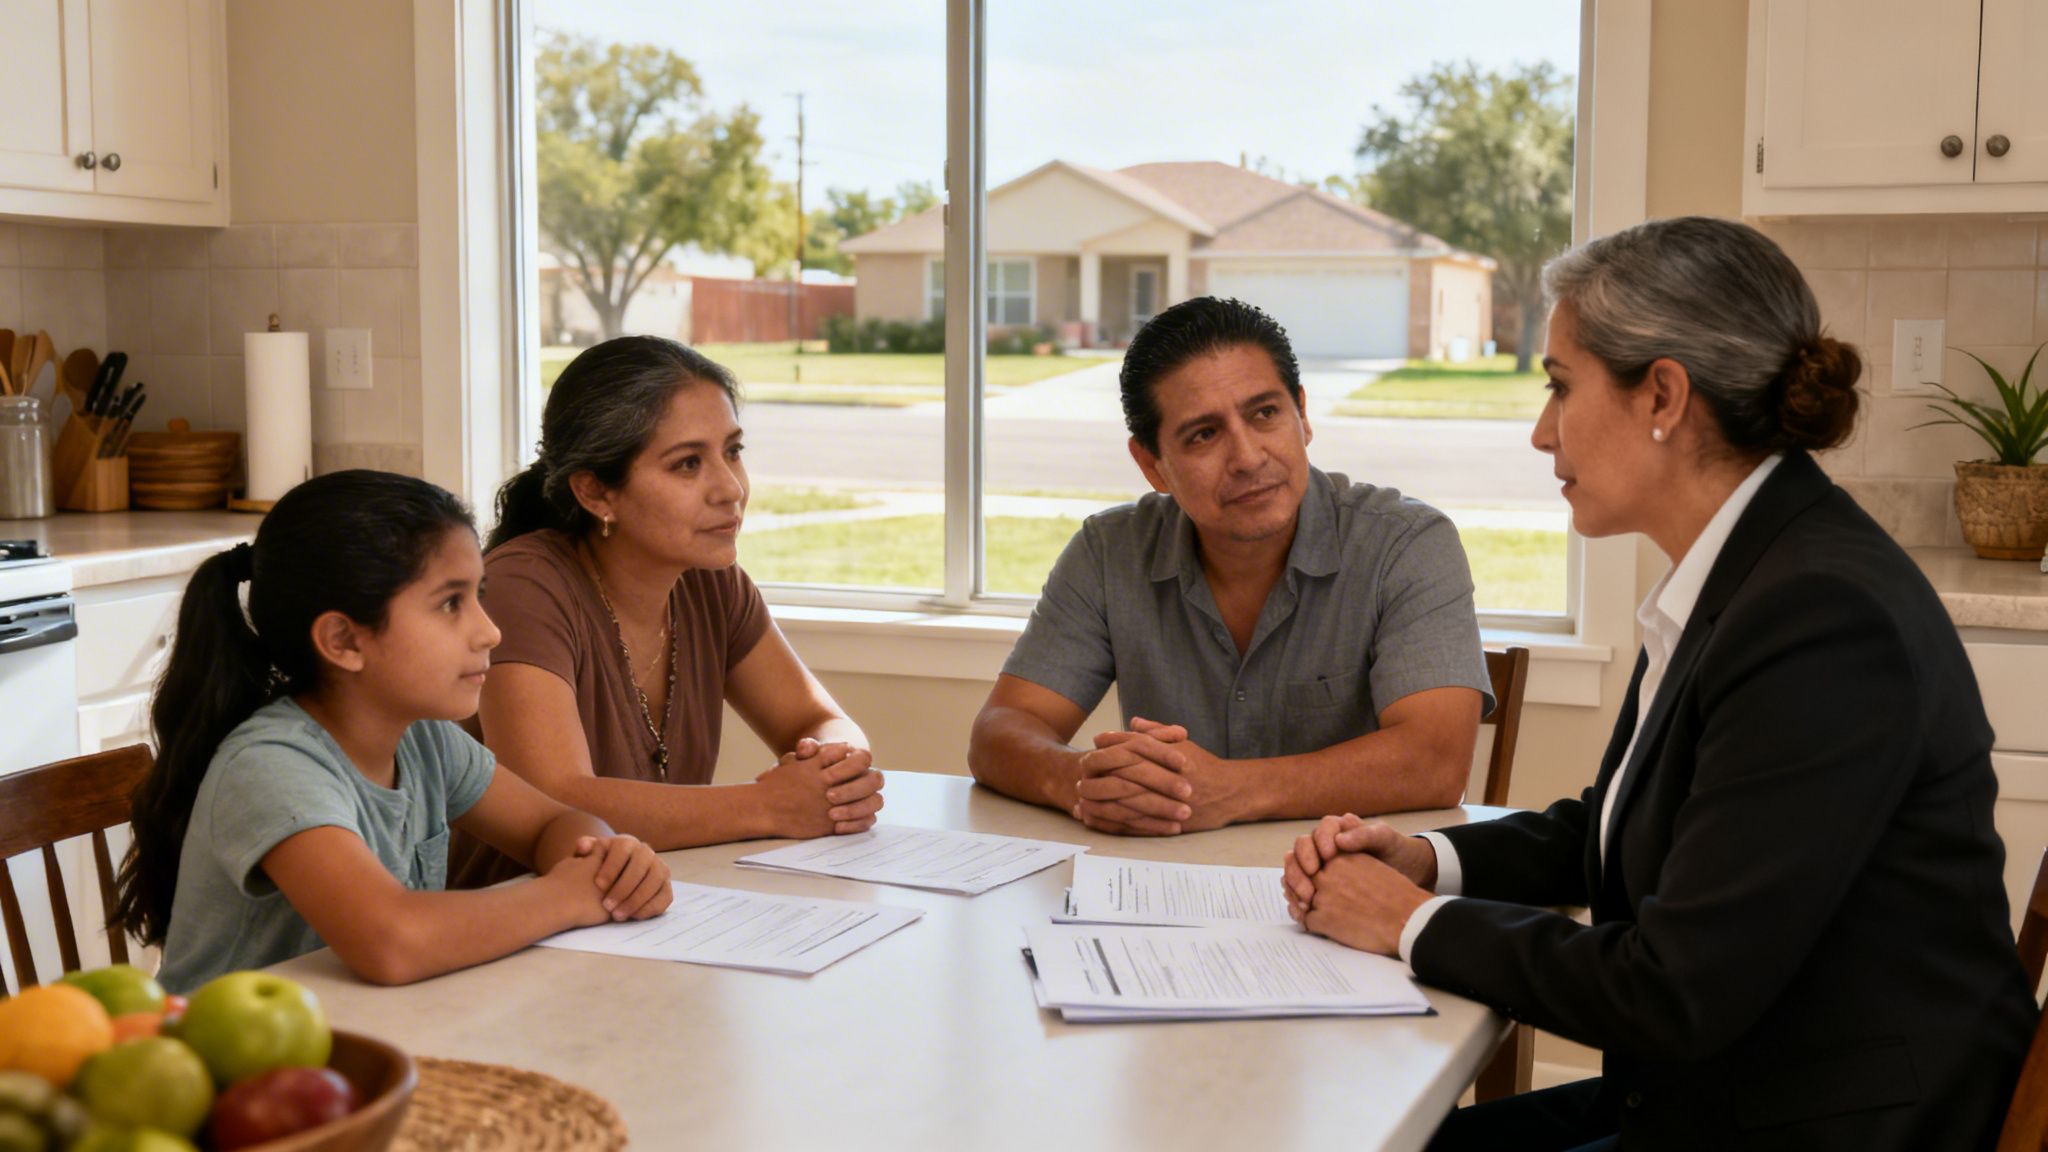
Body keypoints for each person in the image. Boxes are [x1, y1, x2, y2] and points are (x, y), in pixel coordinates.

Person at [1283, 216, 2037, 1152]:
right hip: (1729, 1093)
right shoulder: (1745, 569)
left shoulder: (1821, 618)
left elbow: (1675, 991)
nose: (1540, 430)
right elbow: (1623, 826)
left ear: (1665, 396)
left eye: (1560, 387)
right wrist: (1430, 861)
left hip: (1837, 1124)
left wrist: (1412, 924)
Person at [110, 471, 672, 992]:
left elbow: (548, 822)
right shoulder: (272, 765)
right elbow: (391, 941)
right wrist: (567, 895)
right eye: (451, 603)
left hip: (365, 1046)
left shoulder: (421, 738)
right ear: (345, 642)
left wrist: (602, 859)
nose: (490, 631)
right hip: (234, 1076)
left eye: (480, 596)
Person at [968, 296, 1493, 836]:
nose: (1247, 457)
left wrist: (1228, 790)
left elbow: (1434, 763)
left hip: (1351, 892)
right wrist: (1083, 781)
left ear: (1303, 415)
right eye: (1204, 434)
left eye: (1264, 413)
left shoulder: (1406, 543)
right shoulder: (1109, 551)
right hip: (1159, 893)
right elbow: (1000, 731)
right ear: (1152, 465)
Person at [448, 336, 881, 889]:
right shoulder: (521, 586)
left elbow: (816, 720)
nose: (730, 488)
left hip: (654, 917)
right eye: (687, 464)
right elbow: (557, 796)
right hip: (515, 931)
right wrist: (768, 806)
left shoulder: (712, 583)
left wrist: (835, 769)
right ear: (596, 493)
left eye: (733, 451)